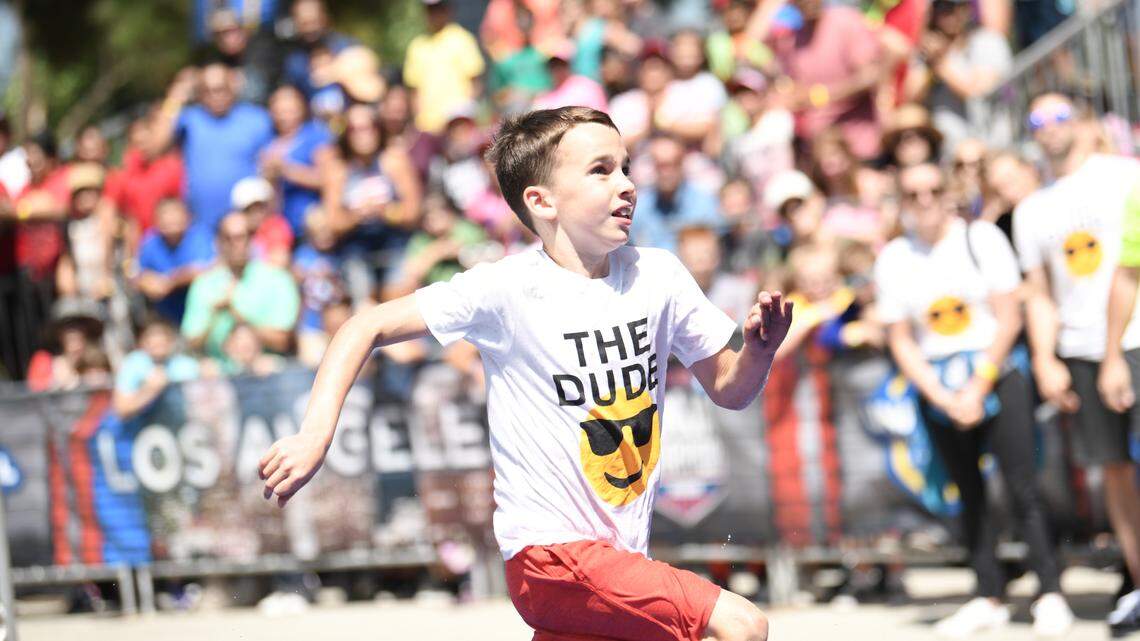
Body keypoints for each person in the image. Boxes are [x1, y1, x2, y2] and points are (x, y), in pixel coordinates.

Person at [258, 106, 789, 641]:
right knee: (742, 624)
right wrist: (314, 434)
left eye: (626, 167)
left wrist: (759, 352)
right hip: (549, 555)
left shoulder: (659, 276)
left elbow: (730, 389)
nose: (626, 185)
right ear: (542, 200)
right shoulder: (504, 289)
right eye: (601, 170)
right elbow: (364, 326)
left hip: (615, 556)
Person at [876, 162, 1072, 638]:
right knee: (967, 493)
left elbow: (1008, 318)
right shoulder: (895, 257)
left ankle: (1049, 591)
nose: (924, 199)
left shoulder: (980, 239)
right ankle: (988, 593)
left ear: (948, 193)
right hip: (938, 383)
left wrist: (977, 386)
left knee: (1023, 486)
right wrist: (942, 396)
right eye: (913, 192)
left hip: (996, 374)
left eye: (933, 189)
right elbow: (901, 338)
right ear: (902, 201)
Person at [1014, 92, 1140, 636]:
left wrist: (1116, 355)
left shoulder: (1124, 175)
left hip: (1133, 341)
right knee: (1113, 471)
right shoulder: (1032, 208)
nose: (1049, 128)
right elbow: (1039, 293)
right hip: (1083, 348)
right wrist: (1046, 358)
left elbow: (1130, 269)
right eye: (1036, 120)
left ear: (1085, 123)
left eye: (1059, 115)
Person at [154, 63, 275, 233]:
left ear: (233, 86)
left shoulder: (257, 119)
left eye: (220, 89)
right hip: (200, 225)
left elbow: (271, 170)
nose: (215, 96)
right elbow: (157, 145)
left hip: (247, 227)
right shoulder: (190, 119)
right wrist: (174, 99)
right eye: (207, 91)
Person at [181, 211, 300, 359]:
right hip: (219, 371)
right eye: (228, 238)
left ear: (251, 239)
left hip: (267, 370)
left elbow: (282, 340)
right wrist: (213, 314)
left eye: (240, 237)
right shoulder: (203, 284)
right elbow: (191, 342)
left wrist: (236, 313)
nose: (235, 244)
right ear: (219, 242)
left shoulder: (278, 279)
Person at [260, 84, 334, 236]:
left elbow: (327, 178)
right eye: (279, 111)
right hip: (282, 225)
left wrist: (287, 170)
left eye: (289, 111)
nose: (284, 117)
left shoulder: (316, 136)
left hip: (313, 223)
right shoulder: (269, 143)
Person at [402, 0, 486, 135]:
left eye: (438, 8)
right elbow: (413, 91)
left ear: (447, 9)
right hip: (427, 127)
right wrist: (417, 121)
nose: (435, 14)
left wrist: (468, 113)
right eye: (430, 10)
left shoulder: (462, 39)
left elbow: (475, 81)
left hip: (458, 124)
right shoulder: (417, 46)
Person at [113, 316, 200, 418]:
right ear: (143, 343)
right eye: (154, 345)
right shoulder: (134, 363)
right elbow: (121, 410)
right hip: (145, 425)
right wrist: (150, 390)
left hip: (183, 421)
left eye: (162, 345)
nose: (158, 350)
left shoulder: (184, 364)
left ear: (171, 343)